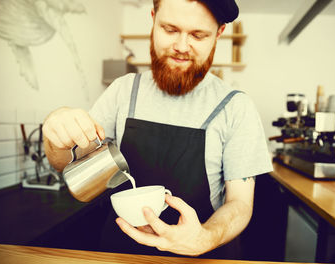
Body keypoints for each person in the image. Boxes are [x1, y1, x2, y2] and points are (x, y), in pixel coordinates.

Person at [43, 0, 273, 259]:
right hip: (120, 253)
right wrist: (54, 138)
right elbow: (67, 166)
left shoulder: (235, 107)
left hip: (201, 256)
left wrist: (205, 237)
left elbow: (240, 203)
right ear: (153, 19)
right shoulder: (123, 91)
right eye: (170, 29)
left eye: (198, 35)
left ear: (218, 33)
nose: (182, 46)